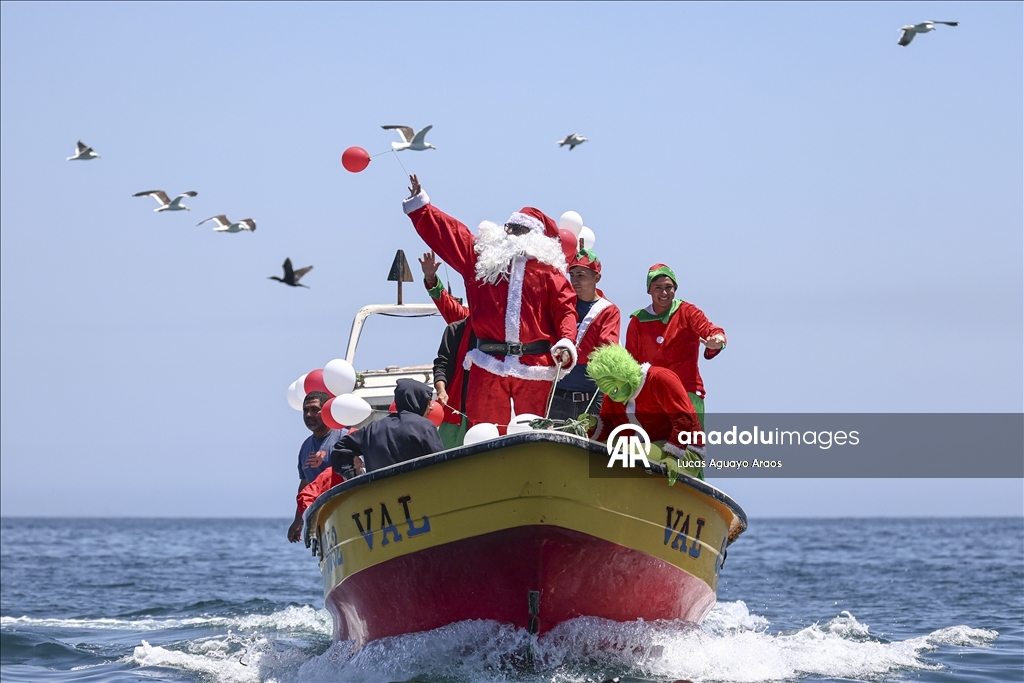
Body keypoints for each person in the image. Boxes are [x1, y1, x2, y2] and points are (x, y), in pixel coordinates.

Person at [403, 174, 577, 426]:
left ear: (536, 237)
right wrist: (422, 208)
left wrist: (566, 342)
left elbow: (566, 312)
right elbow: (451, 233)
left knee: (528, 440)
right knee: (483, 435)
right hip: (488, 366)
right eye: (509, 227)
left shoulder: (550, 274)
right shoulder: (484, 261)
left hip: (534, 369)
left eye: (519, 229)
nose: (510, 234)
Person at [625, 263, 726, 429]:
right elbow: (631, 363)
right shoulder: (638, 321)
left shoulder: (687, 312)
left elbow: (712, 330)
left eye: (668, 287)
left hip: (687, 394)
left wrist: (717, 340)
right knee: (655, 450)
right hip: (653, 401)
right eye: (658, 288)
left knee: (690, 450)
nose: (664, 293)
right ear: (649, 290)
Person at [586, 344, 707, 480]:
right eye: (606, 392)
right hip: (646, 444)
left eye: (614, 390)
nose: (612, 397)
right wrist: (593, 424)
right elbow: (609, 427)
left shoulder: (659, 378)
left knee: (622, 455)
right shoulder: (613, 399)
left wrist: (673, 456)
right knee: (595, 452)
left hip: (685, 451)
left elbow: (683, 418)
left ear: (624, 375)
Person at [548, 248, 621, 422]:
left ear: (597, 278)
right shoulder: (562, 306)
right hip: (556, 396)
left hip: (590, 398)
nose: (575, 281)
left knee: (589, 448)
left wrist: (573, 355)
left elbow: (606, 350)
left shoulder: (608, 311)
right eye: (572, 275)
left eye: (581, 275)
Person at [331, 378, 444, 473]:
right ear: (417, 400)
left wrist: (354, 478)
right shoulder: (425, 427)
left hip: (380, 497)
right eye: (428, 401)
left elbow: (339, 449)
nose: (431, 407)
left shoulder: (371, 430)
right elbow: (442, 466)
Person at [420, 251, 473, 448]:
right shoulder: (462, 325)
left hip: (493, 411)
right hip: (457, 413)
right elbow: (446, 303)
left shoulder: (508, 327)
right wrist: (430, 278)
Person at [287, 391, 349, 543]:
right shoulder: (305, 447)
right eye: (306, 410)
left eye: (314, 410)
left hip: (345, 514)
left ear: (326, 411)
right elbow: (305, 484)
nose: (309, 415)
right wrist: (298, 520)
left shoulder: (344, 437)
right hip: (322, 526)